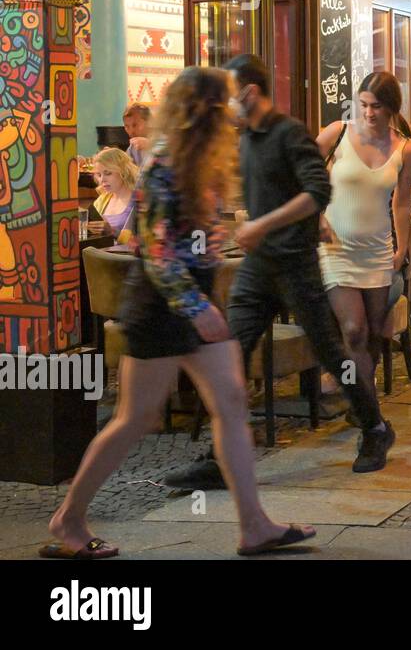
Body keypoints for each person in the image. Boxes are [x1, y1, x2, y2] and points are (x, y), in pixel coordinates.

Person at [44, 68, 314, 559]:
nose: (230, 115)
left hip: (194, 303)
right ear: (202, 111)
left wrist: (214, 246)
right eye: (221, 107)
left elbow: (188, 238)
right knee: (134, 419)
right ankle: (69, 519)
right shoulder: (166, 162)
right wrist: (195, 305)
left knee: (231, 403)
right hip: (162, 307)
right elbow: (153, 246)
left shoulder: (201, 160)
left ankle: (254, 526)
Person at [162, 54, 395, 489]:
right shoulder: (246, 139)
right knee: (231, 355)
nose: (226, 106)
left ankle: (374, 427)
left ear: (249, 93)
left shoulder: (289, 134)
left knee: (333, 355)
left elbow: (318, 189)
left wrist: (265, 224)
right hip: (256, 269)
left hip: (296, 267)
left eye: (230, 96)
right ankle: (221, 456)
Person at [317, 71, 411, 440]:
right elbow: (303, 173)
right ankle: (370, 414)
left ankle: (363, 406)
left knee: (374, 334)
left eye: (376, 106)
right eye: (363, 105)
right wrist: (313, 215)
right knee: (354, 329)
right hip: (335, 249)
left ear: (392, 108)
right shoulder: (337, 133)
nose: (368, 113)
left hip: (377, 250)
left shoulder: (405, 149)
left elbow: (402, 203)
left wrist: (403, 247)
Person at [90, 147, 139, 243]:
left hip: (124, 257)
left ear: (123, 171)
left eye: (108, 173)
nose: (102, 180)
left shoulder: (138, 200)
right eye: (99, 175)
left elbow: (145, 242)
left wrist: (112, 232)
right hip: (101, 254)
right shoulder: (102, 199)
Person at [122, 103, 151, 168]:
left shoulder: (161, 140)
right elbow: (127, 169)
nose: (131, 131)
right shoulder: (132, 148)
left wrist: (150, 145)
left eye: (135, 125)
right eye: (127, 126)